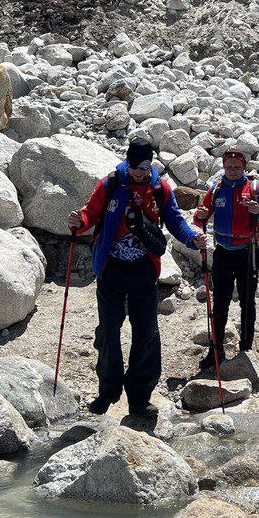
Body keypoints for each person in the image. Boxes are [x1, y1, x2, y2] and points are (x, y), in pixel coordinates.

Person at [69, 138, 207, 418]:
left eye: (143, 169)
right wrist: (79, 221)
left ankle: (140, 399)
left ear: (151, 164)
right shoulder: (109, 185)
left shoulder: (160, 189)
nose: (138, 174)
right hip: (111, 268)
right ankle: (107, 393)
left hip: (144, 269)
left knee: (145, 333)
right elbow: (90, 213)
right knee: (109, 331)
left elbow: (176, 222)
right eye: (134, 168)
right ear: (127, 162)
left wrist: (194, 238)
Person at [194, 148, 259, 363]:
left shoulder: (254, 188)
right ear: (223, 167)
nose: (232, 171)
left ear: (244, 168)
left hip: (247, 252)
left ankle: (246, 348)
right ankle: (216, 350)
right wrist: (200, 215)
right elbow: (199, 220)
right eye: (229, 167)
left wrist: (258, 211)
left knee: (247, 301)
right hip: (222, 252)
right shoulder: (216, 189)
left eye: (237, 167)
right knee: (219, 302)